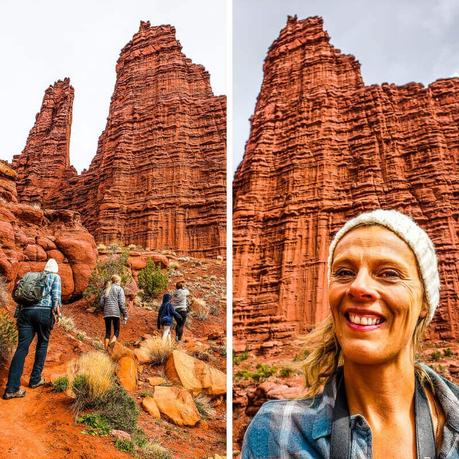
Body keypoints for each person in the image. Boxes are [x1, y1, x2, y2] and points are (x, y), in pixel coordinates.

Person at [241, 209, 459, 458]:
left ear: (424, 303)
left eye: (389, 273)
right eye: (344, 272)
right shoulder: (275, 433)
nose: (358, 286)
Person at [3, 258, 62, 399]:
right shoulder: (55, 277)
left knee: (22, 348)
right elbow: (56, 297)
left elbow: (23, 298)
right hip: (44, 313)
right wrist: (58, 315)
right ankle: (35, 379)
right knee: (42, 344)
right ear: (56, 269)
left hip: (25, 313)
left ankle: (11, 389)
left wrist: (18, 315)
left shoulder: (32, 277)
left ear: (45, 268)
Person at [100, 274, 128, 350]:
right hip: (116, 313)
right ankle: (111, 346)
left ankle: (106, 351)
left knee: (108, 332)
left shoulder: (106, 289)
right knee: (116, 331)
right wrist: (125, 315)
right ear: (117, 281)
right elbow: (121, 303)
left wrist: (106, 309)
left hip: (107, 314)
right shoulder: (119, 289)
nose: (120, 283)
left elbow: (101, 303)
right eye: (120, 281)